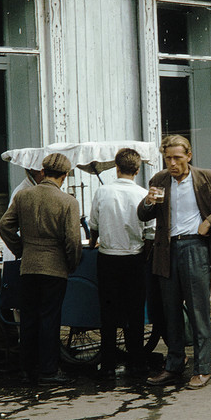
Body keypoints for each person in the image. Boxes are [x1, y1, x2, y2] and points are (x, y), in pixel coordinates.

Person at [138, 135, 211, 389]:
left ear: (189, 155)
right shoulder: (159, 180)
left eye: (177, 157)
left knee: (198, 311)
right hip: (167, 249)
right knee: (170, 311)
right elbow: (143, 214)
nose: (172, 163)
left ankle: (203, 368)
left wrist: (210, 222)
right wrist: (149, 200)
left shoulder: (207, 177)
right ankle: (174, 365)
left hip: (195, 246)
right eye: (168, 158)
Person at [0, 152, 82, 385]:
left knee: (29, 319)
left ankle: (28, 370)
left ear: (43, 171)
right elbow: (73, 240)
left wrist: (21, 249)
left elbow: (4, 226)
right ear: (64, 176)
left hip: (29, 267)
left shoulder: (24, 196)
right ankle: (49, 371)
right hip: (55, 269)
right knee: (49, 319)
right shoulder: (68, 202)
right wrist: (71, 263)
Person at [88, 148, 149, 379]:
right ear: (138, 169)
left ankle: (109, 365)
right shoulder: (143, 194)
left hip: (108, 257)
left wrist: (93, 241)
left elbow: (94, 224)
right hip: (134, 257)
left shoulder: (103, 192)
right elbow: (150, 232)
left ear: (116, 167)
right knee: (134, 313)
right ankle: (137, 363)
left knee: (109, 313)